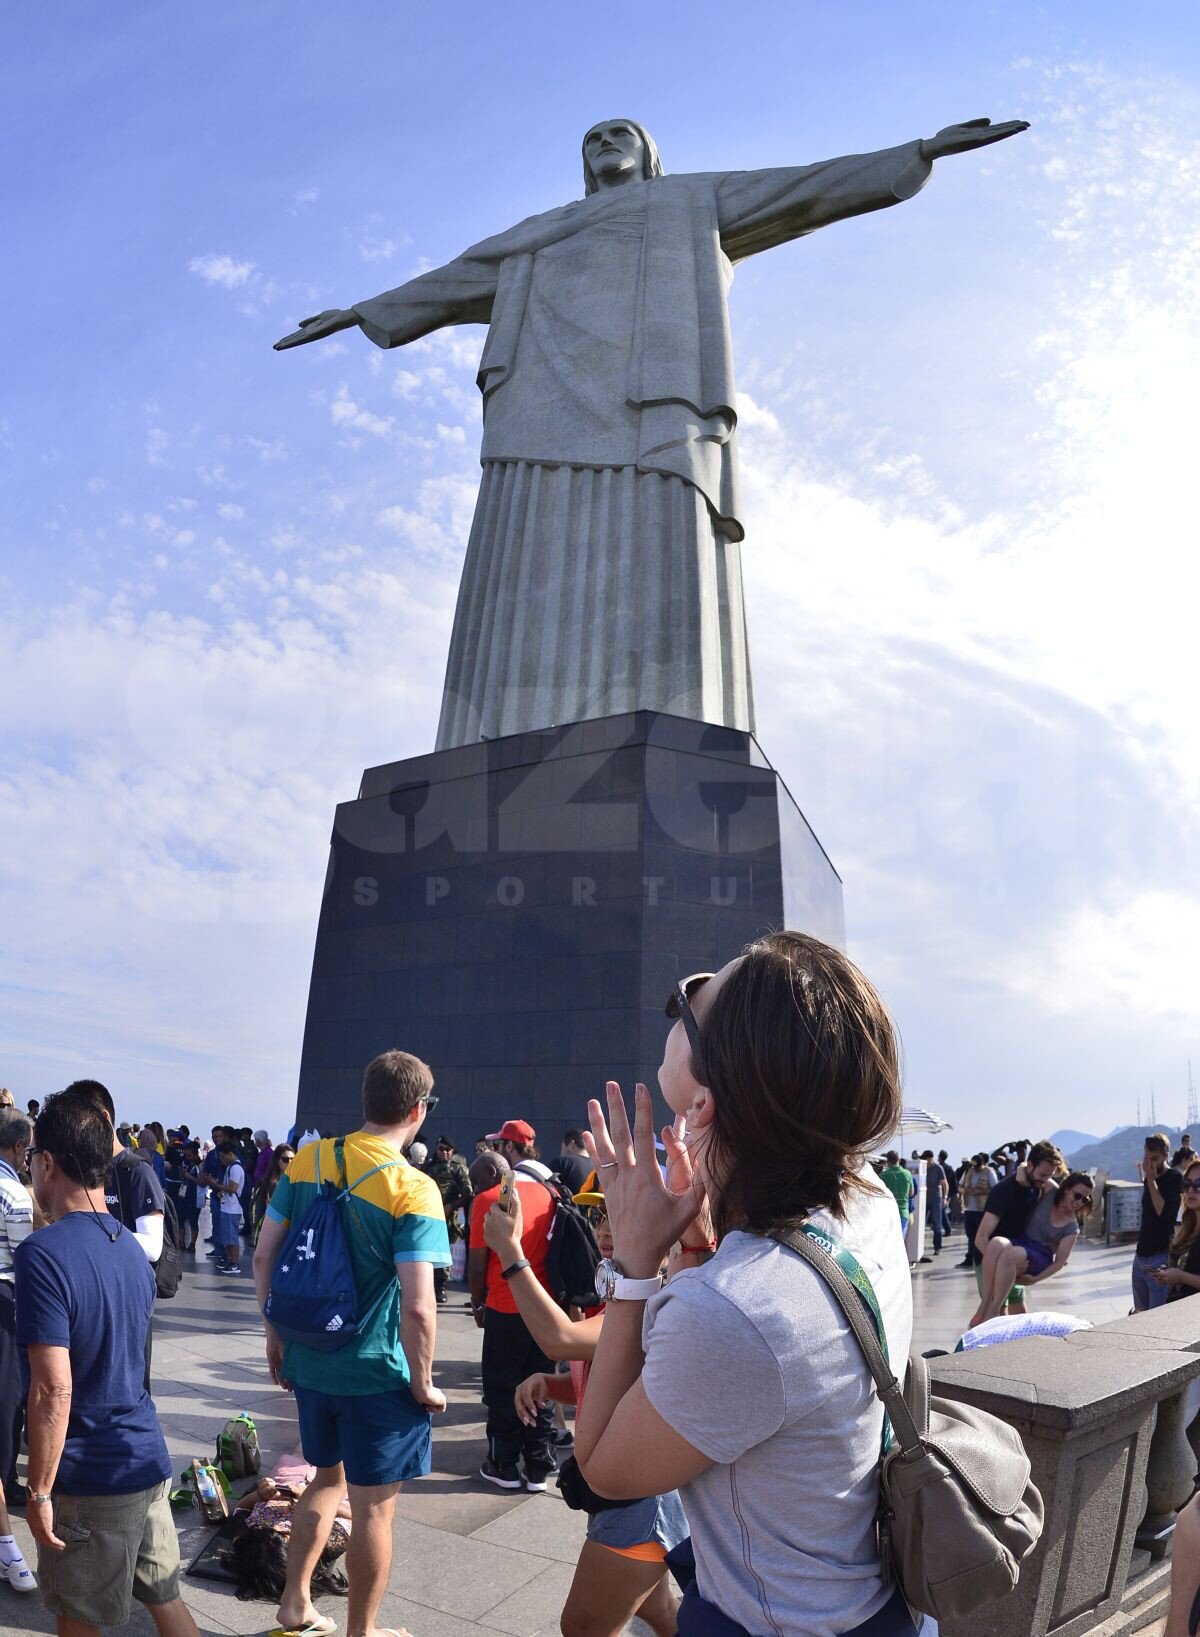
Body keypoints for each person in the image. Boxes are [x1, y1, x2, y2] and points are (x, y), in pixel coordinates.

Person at [575, 933, 918, 1636]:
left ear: (700, 1105)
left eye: (692, 1002)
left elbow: (604, 1464)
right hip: (867, 1601)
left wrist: (638, 1264)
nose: (686, 995)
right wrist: (700, 1240)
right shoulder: (870, 1196)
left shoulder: (743, 1305)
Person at [252, 1049, 450, 1637]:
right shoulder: (412, 1187)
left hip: (311, 1359)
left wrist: (275, 1338)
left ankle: (294, 1604)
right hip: (376, 1374)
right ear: (418, 1110)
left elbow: (265, 1256)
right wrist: (423, 1381)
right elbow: (418, 1304)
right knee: (374, 1511)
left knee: (323, 1479)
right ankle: (362, 1634)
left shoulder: (308, 1159)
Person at [16, 1090, 200, 1637]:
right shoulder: (130, 1250)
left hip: (91, 1471)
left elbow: (54, 1391)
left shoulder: (43, 1253)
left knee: (80, 1619)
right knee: (166, 1602)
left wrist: (40, 1492)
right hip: (143, 1458)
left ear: (47, 1162)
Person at [482, 1179, 685, 1637]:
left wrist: (511, 1254)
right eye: (601, 1216)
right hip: (625, 1488)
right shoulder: (623, 1298)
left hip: (640, 1500)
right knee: (659, 1613)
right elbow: (612, 1381)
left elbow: (561, 1339)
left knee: (582, 1627)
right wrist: (551, 1384)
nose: (607, 1228)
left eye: (620, 1215)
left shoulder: (648, 1302)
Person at [467, 1146, 559, 1490]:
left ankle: (503, 1464)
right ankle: (538, 1465)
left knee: (502, 1386)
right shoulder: (550, 1192)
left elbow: (477, 1265)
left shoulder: (490, 1198)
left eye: (477, 1182)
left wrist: (478, 1305)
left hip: (505, 1306)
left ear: (493, 1174)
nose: (475, 1190)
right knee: (541, 1385)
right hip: (545, 1308)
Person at [971, 1172, 1092, 1325]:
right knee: (996, 1243)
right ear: (1067, 1189)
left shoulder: (1071, 1227)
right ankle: (984, 1305)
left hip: (1040, 1253)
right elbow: (1037, 1172)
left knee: (1010, 1255)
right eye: (1077, 1195)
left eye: (1085, 1199)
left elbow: (1060, 1262)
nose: (1079, 1202)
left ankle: (993, 1311)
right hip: (1022, 1241)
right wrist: (1021, 1168)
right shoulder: (1050, 1192)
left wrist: (1035, 1279)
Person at [0, 1108, 36, 1565]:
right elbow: (24, 1258)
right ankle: (6, 1479)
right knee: (8, 1396)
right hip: (4, 1298)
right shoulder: (13, 1192)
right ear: (19, 1147)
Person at [973, 1141, 1063, 1319]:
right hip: (990, 1256)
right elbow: (981, 1238)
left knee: (1019, 1310)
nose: (1045, 1180)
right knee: (998, 1312)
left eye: (1049, 1175)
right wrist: (1001, 1266)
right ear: (1030, 1165)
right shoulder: (1004, 1191)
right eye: (1042, 1174)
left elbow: (1057, 1193)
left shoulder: (1036, 1186)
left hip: (1015, 1254)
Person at [1133, 1132, 1183, 1312]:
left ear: (1165, 1156)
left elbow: (1163, 1213)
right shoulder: (1149, 1178)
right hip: (1141, 1253)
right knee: (1140, 1311)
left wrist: (1152, 1181)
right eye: (1147, 1158)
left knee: (1156, 1313)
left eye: (1154, 1158)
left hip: (1160, 1254)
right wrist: (1150, 1179)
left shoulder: (1174, 1178)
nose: (1150, 1163)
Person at [424, 1136, 472, 1305]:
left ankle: (440, 1287)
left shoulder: (459, 1169)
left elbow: (468, 1193)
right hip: (429, 1213)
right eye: (441, 1149)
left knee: (443, 1251)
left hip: (448, 1215)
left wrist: (451, 1206)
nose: (444, 1153)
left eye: (448, 1150)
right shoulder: (429, 1167)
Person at [1152, 1160, 1200, 1302]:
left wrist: (1181, 1277)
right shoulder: (1187, 1226)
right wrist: (1166, 1272)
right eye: (1187, 1184)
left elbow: (1183, 1274)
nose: (1191, 1190)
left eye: (1198, 1185)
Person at [210, 1138, 246, 1275]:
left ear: (230, 1154)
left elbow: (232, 1188)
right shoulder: (230, 1168)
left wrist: (217, 1185)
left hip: (233, 1208)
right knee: (227, 1237)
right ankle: (229, 1258)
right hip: (227, 1206)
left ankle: (234, 1262)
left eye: (223, 1157)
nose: (222, 1160)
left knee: (232, 1237)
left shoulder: (236, 1168)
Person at [959, 1153, 999, 1270]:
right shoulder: (968, 1171)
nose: (975, 1169)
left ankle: (982, 1258)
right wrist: (965, 1190)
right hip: (969, 1208)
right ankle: (970, 1258)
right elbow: (960, 1186)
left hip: (982, 1209)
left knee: (982, 1236)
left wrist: (979, 1192)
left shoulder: (989, 1172)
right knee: (971, 1236)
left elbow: (995, 1189)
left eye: (977, 1167)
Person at [252, 1144, 294, 1240]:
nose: (290, 1162)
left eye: (293, 1159)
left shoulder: (294, 1181)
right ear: (277, 1160)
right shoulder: (273, 1183)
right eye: (285, 1159)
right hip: (274, 1229)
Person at [879, 1151, 914, 1235]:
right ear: (899, 1159)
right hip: (903, 1213)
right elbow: (911, 1193)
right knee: (900, 1244)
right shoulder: (907, 1174)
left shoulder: (882, 1175)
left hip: (887, 1214)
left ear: (887, 1161)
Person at [920, 1149, 948, 1254]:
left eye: (925, 1159)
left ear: (930, 1158)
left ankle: (937, 1247)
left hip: (936, 1198)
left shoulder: (938, 1168)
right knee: (921, 1224)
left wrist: (945, 1197)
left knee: (937, 1224)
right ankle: (919, 1248)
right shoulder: (922, 1167)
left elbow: (945, 1183)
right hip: (924, 1199)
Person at [553, 1129, 593, 1194]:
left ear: (572, 1144)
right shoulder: (598, 1165)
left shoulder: (562, 1162)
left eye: (563, 1146)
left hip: (571, 1203)